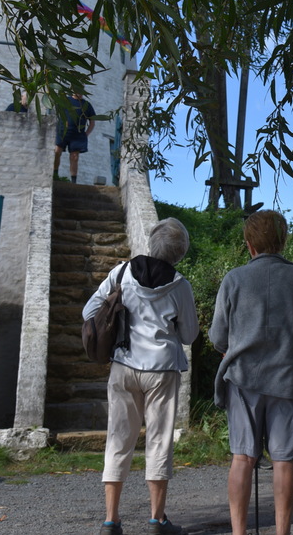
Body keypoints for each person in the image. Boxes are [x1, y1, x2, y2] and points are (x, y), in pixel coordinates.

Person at [210, 210, 293, 535]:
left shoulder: (234, 279)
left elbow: (217, 337)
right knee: (283, 461)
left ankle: (239, 533)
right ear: (283, 241)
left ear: (249, 243)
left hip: (243, 379)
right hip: (290, 380)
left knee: (242, 458)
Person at [82, 218, 200, 535]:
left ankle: (111, 520)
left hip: (123, 365)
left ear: (151, 243)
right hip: (162, 370)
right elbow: (189, 335)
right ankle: (157, 520)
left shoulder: (121, 273)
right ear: (180, 253)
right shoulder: (180, 285)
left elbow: (88, 312)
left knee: (118, 440)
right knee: (159, 442)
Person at [54, 92, 96, 183]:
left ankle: (73, 181)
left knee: (74, 157)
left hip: (77, 134)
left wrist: (86, 133)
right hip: (62, 131)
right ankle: (55, 174)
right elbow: (56, 112)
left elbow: (92, 121)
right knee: (57, 152)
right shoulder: (65, 100)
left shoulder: (86, 105)